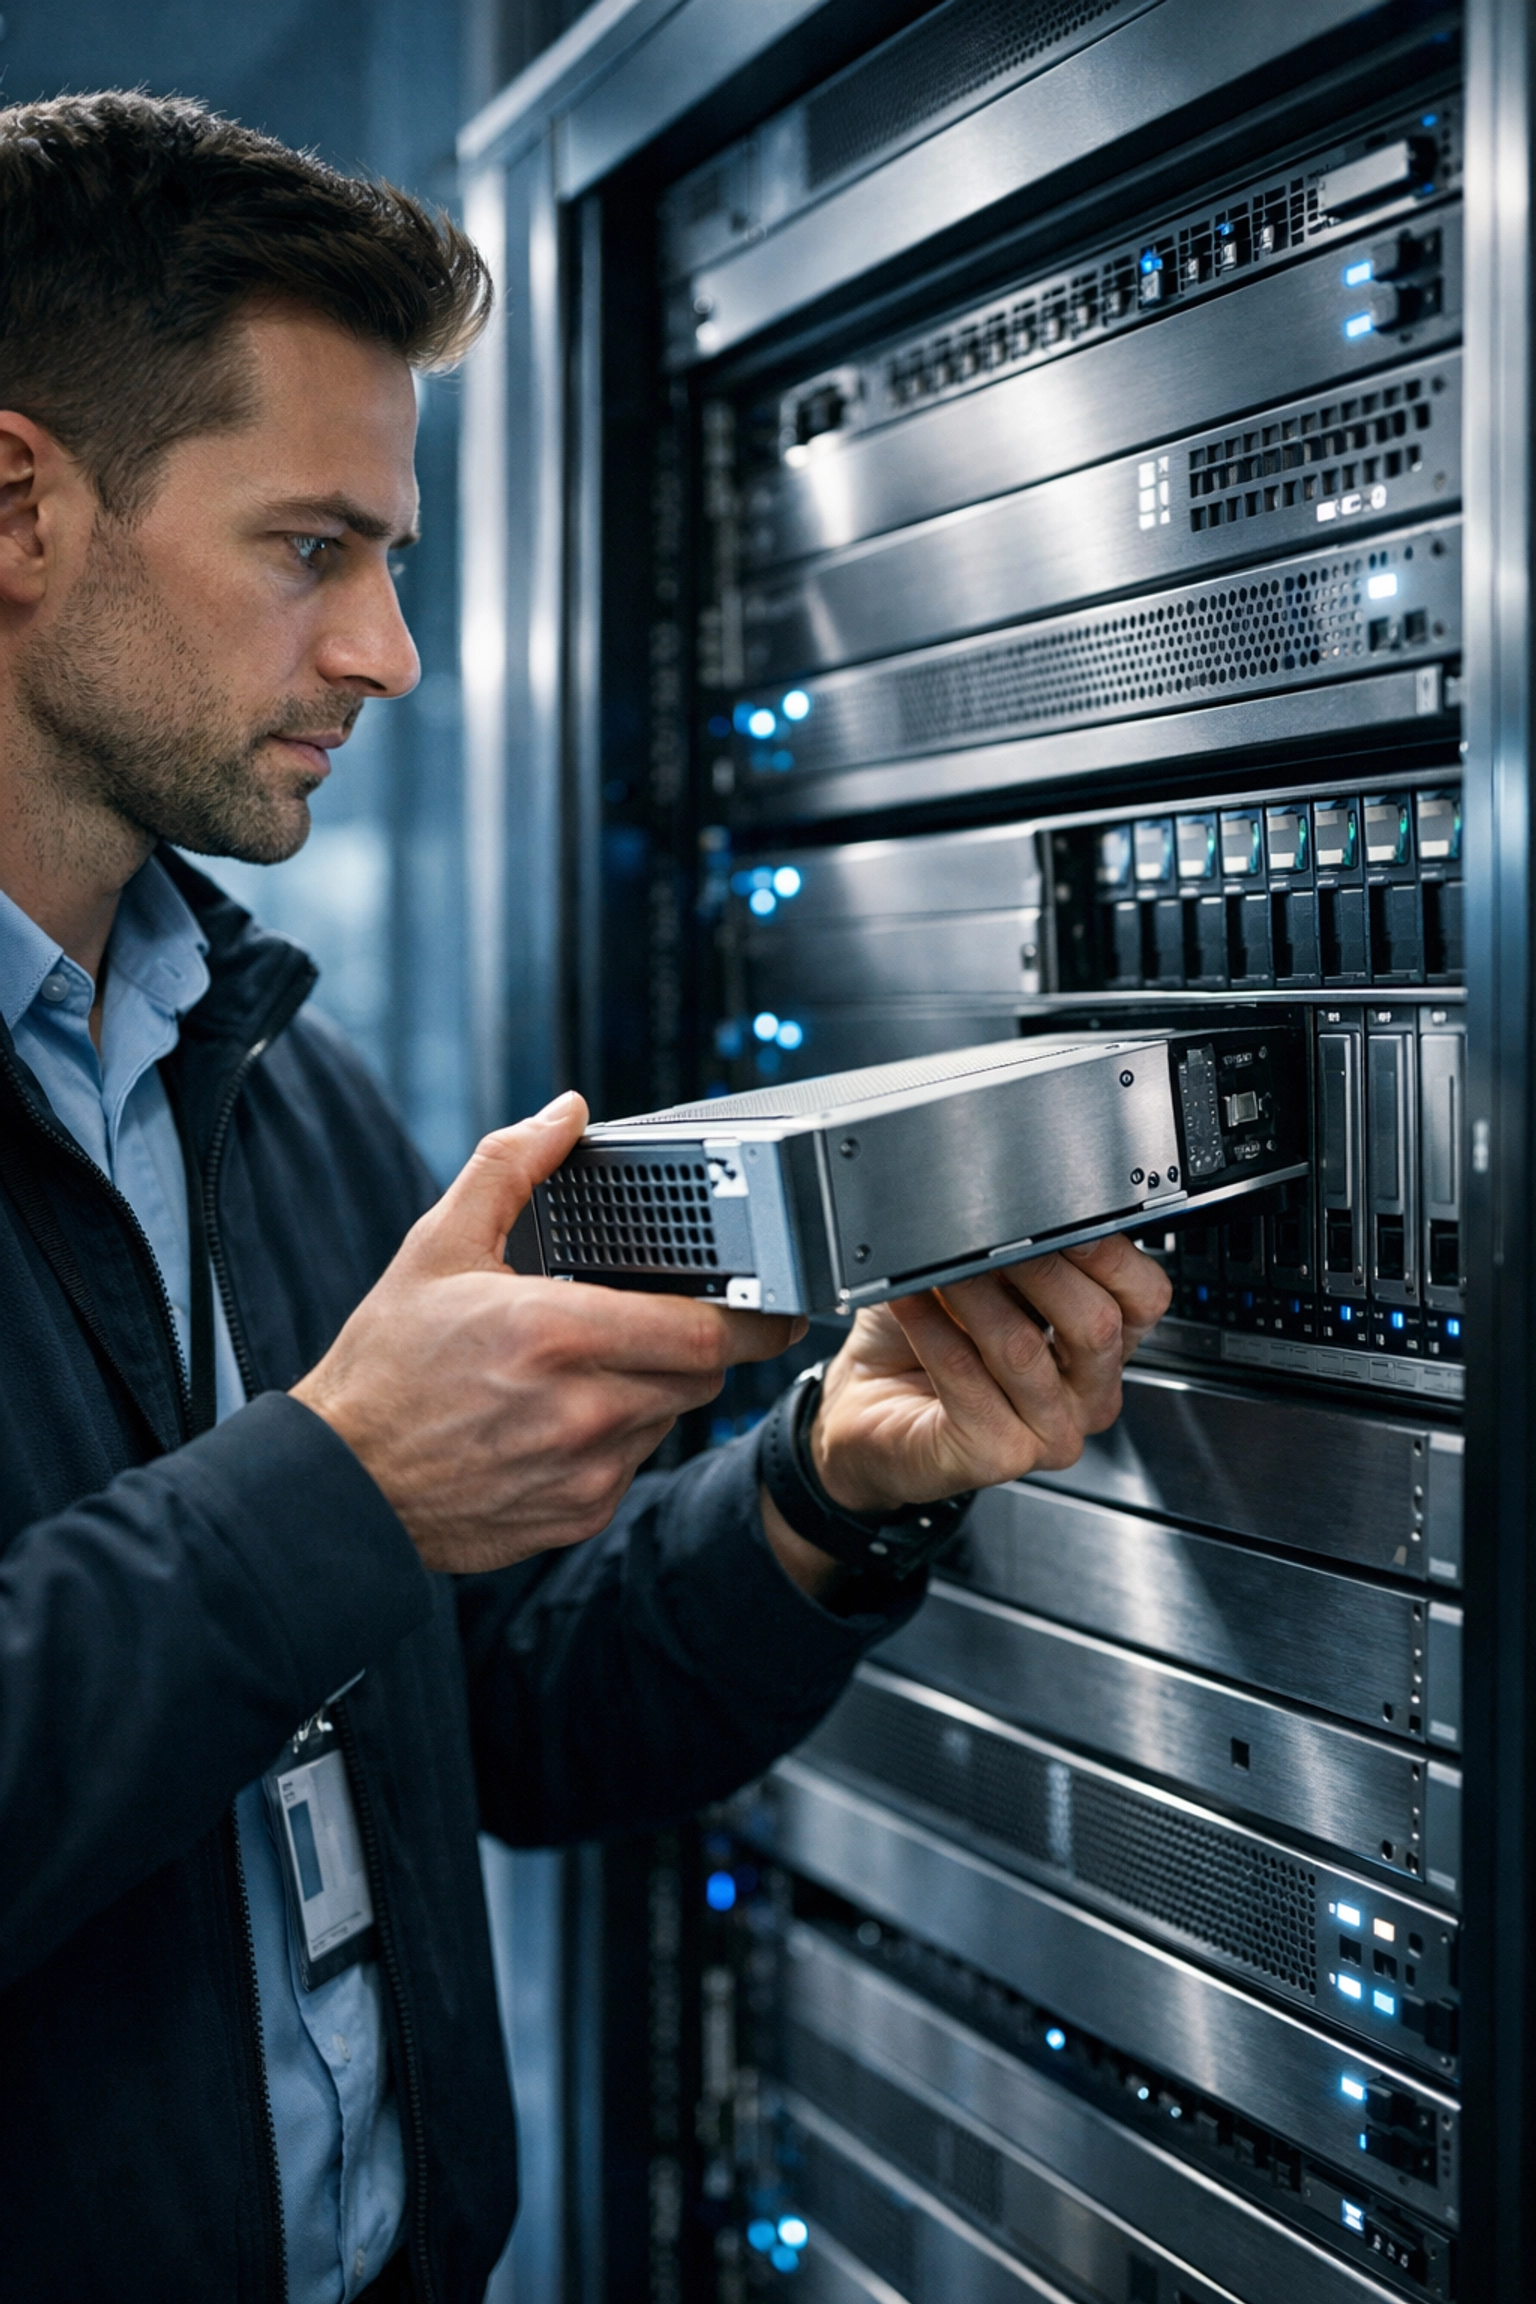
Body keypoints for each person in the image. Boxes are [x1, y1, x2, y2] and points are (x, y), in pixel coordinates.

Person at [0, 91, 1172, 2304]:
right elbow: (305, 1552)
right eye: (306, 548)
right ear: (19, 507)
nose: (386, 655)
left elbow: (509, 1715)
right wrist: (333, 1489)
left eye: (398, 565)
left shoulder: (262, 1078)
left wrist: (832, 1485)